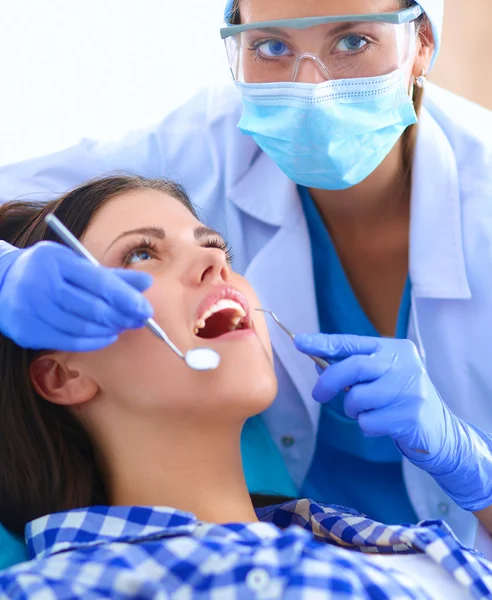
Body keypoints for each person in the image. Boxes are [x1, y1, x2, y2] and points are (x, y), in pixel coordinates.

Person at [1, 0, 492, 551]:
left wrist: (472, 466)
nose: (309, 84)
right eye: (272, 47)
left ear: (422, 41)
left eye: (353, 42)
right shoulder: (198, 148)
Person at [0, 175, 488, 599]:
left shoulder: (352, 536)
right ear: (63, 376)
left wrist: (480, 479)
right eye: (142, 253)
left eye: (215, 246)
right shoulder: (58, 586)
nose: (215, 263)